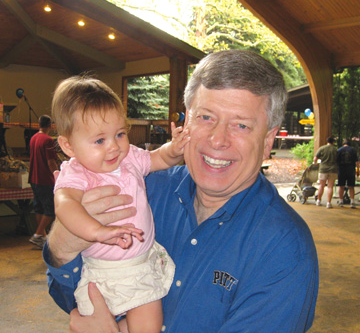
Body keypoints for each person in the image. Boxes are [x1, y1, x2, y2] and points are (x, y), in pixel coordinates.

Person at [44, 50, 319, 333]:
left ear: (267, 140)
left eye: (240, 125)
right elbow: (65, 295)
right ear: (186, 121)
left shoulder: (284, 249)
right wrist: (64, 243)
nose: (217, 140)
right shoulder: (142, 189)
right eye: (206, 117)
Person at [51, 75, 189, 333]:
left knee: (150, 327)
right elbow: (65, 204)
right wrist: (98, 231)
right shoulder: (77, 173)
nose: (114, 147)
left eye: (120, 134)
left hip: (142, 264)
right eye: (100, 141)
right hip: (103, 274)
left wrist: (175, 149)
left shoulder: (129, 158)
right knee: (88, 326)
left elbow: (156, 159)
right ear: (68, 145)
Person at [28, 115, 59, 248]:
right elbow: (51, 161)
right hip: (45, 179)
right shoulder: (48, 140)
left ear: (38, 124)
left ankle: (43, 236)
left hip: (33, 178)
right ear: (50, 125)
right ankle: (38, 234)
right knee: (50, 209)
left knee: (39, 207)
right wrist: (57, 175)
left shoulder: (34, 138)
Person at [313, 136, 337, 208]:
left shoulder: (322, 148)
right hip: (333, 170)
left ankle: (318, 201)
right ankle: (328, 203)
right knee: (330, 187)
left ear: (327, 141)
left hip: (323, 169)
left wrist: (315, 163)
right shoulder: (335, 150)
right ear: (333, 142)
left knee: (321, 185)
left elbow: (315, 158)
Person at [336, 138, 359, 208]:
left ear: (343, 144)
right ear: (350, 144)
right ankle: (352, 202)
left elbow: (336, 161)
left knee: (341, 186)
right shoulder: (353, 150)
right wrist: (358, 170)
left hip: (341, 170)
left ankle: (341, 201)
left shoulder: (339, 150)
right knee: (351, 186)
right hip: (351, 170)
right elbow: (357, 162)